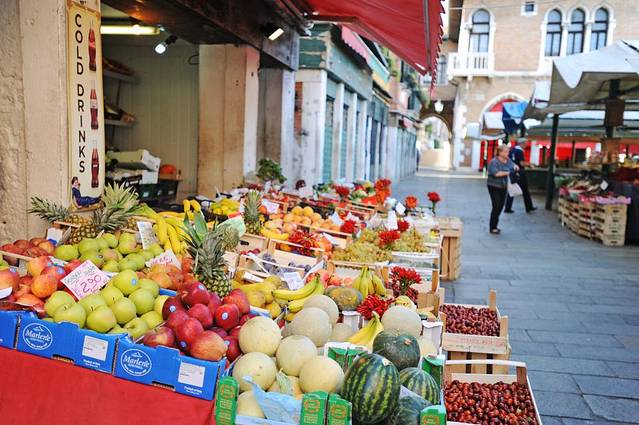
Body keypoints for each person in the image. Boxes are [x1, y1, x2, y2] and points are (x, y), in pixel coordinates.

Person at [486, 144, 517, 234]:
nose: (508, 153)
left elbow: (513, 165)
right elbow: (496, 174)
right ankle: (492, 227)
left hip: (503, 186)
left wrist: (515, 167)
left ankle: (495, 225)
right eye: (506, 151)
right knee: (496, 205)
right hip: (494, 186)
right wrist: (508, 172)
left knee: (501, 206)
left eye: (508, 151)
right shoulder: (494, 162)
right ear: (500, 152)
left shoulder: (508, 160)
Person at [504, 139, 536, 213]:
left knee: (512, 190)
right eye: (525, 143)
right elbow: (521, 163)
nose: (526, 145)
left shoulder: (512, 150)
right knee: (525, 190)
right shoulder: (520, 151)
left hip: (512, 172)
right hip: (520, 173)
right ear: (521, 143)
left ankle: (507, 208)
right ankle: (529, 207)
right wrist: (530, 164)